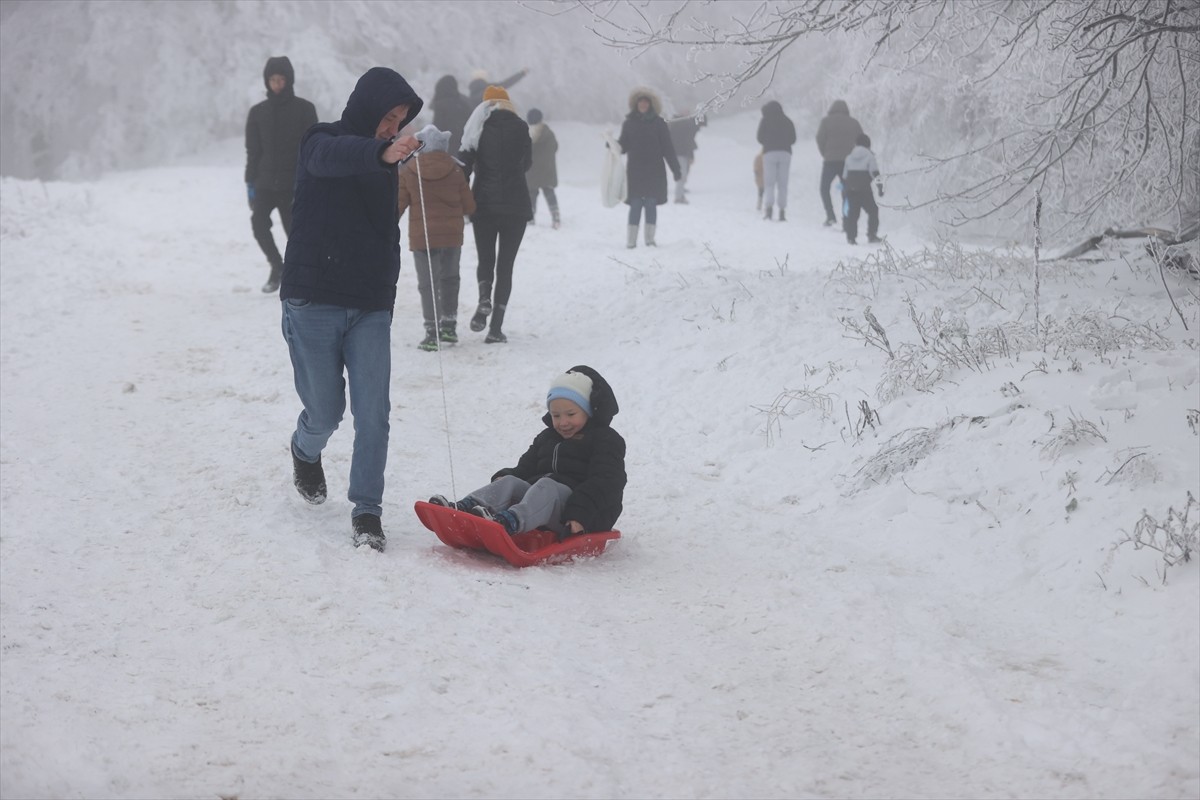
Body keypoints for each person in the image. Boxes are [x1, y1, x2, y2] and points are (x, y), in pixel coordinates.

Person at [279, 67, 423, 552]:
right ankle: (305, 448)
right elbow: (335, 158)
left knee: (374, 413)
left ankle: (367, 512)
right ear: (367, 106)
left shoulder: (387, 164)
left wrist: (386, 292)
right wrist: (381, 152)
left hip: (368, 306)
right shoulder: (321, 140)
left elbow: (383, 231)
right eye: (388, 116)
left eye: (400, 121)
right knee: (325, 412)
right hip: (313, 299)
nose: (393, 126)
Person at [427, 366, 626, 538]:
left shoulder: (605, 440)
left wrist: (580, 515)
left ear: (589, 410)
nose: (563, 422)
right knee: (511, 482)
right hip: (541, 506)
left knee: (548, 485)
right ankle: (465, 509)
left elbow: (607, 483)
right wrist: (504, 478)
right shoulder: (547, 438)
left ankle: (509, 522)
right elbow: (524, 469)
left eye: (571, 414)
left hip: (582, 515)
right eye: (556, 415)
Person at [457, 85, 532, 344]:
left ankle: (484, 298)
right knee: (506, 265)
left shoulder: (477, 130)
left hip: (485, 205)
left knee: (486, 259)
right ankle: (495, 329)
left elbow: (463, 166)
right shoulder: (521, 127)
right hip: (516, 206)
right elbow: (528, 163)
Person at [397, 124, 477, 351]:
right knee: (450, 279)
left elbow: (398, 206)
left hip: (423, 238)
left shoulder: (410, 170)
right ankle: (449, 327)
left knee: (427, 284)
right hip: (452, 237)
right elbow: (469, 205)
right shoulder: (456, 169)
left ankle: (432, 332)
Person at [244, 56, 317, 293]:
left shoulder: (304, 110)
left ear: (289, 80)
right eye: (272, 79)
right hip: (264, 183)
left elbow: (312, 149)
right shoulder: (257, 113)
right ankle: (277, 267)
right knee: (258, 225)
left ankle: (302, 276)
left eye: (281, 79)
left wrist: (309, 181)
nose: (276, 84)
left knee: (294, 234)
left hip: (292, 185)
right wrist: (250, 183)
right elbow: (253, 151)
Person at [617, 87, 681, 248]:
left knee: (651, 203)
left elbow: (668, 148)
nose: (643, 105)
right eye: (641, 102)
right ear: (636, 104)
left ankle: (649, 240)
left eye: (646, 102)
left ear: (651, 105)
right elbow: (623, 146)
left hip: (655, 171)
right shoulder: (629, 123)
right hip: (635, 171)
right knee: (636, 204)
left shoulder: (659, 123)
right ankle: (631, 241)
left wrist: (676, 169)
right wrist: (612, 145)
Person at [816, 99, 863, 227]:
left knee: (824, 188)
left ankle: (830, 216)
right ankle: (846, 220)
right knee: (847, 191)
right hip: (848, 163)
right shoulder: (854, 123)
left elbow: (820, 138)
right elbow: (861, 140)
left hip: (830, 161)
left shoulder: (825, 121)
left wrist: (825, 153)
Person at [756, 100, 796, 222]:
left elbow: (759, 137)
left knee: (769, 183)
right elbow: (793, 139)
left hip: (769, 153)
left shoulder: (765, 120)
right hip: (785, 153)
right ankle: (782, 212)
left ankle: (769, 210)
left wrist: (768, 143)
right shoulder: (787, 121)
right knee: (783, 184)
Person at [842, 132, 884, 245]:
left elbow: (845, 176)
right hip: (865, 190)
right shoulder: (870, 156)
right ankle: (872, 234)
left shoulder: (849, 157)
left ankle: (851, 238)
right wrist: (880, 188)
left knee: (853, 214)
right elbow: (875, 173)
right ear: (868, 144)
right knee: (873, 210)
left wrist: (845, 191)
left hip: (851, 189)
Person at [526, 108, 560, 228]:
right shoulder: (548, 133)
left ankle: (530, 218)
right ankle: (555, 216)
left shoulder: (528, 133)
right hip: (547, 169)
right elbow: (555, 147)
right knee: (549, 192)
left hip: (532, 171)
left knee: (531, 194)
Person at [429, 74, 472, 155]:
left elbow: (437, 130)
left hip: (447, 151)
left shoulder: (440, 105)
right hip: (464, 149)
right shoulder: (464, 103)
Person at [667, 112, 705, 204]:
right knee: (682, 175)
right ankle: (678, 197)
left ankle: (680, 194)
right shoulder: (686, 128)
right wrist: (691, 155)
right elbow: (688, 142)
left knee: (682, 174)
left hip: (678, 153)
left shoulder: (678, 125)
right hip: (680, 153)